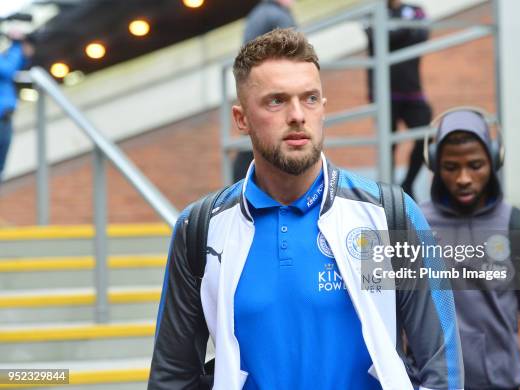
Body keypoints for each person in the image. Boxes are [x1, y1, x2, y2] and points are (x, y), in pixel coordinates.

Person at [149, 29, 463, 390]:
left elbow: (443, 368)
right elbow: (171, 377)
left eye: (310, 99)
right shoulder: (200, 228)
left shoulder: (387, 215)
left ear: (323, 109)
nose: (297, 115)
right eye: (276, 101)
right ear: (241, 119)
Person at [420, 108, 520, 389]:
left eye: (475, 165)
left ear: (494, 160)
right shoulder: (413, 226)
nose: (463, 178)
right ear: (436, 165)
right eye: (451, 167)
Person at [366, 0, 432, 199]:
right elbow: (377, 39)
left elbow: (421, 35)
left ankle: (408, 185)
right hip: (384, 94)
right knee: (387, 146)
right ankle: (390, 195)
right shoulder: (372, 14)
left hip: (413, 91)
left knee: (425, 138)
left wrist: (392, 34)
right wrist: (402, 31)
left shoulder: (416, 11)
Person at [233, 0, 297, 182]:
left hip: (258, 87)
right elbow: (293, 54)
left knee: (256, 138)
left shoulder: (260, 13)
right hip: (271, 87)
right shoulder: (276, 15)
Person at [0, 30, 33, 184]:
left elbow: (17, 66)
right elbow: (7, 70)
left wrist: (21, 48)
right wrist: (16, 44)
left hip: (5, 118)